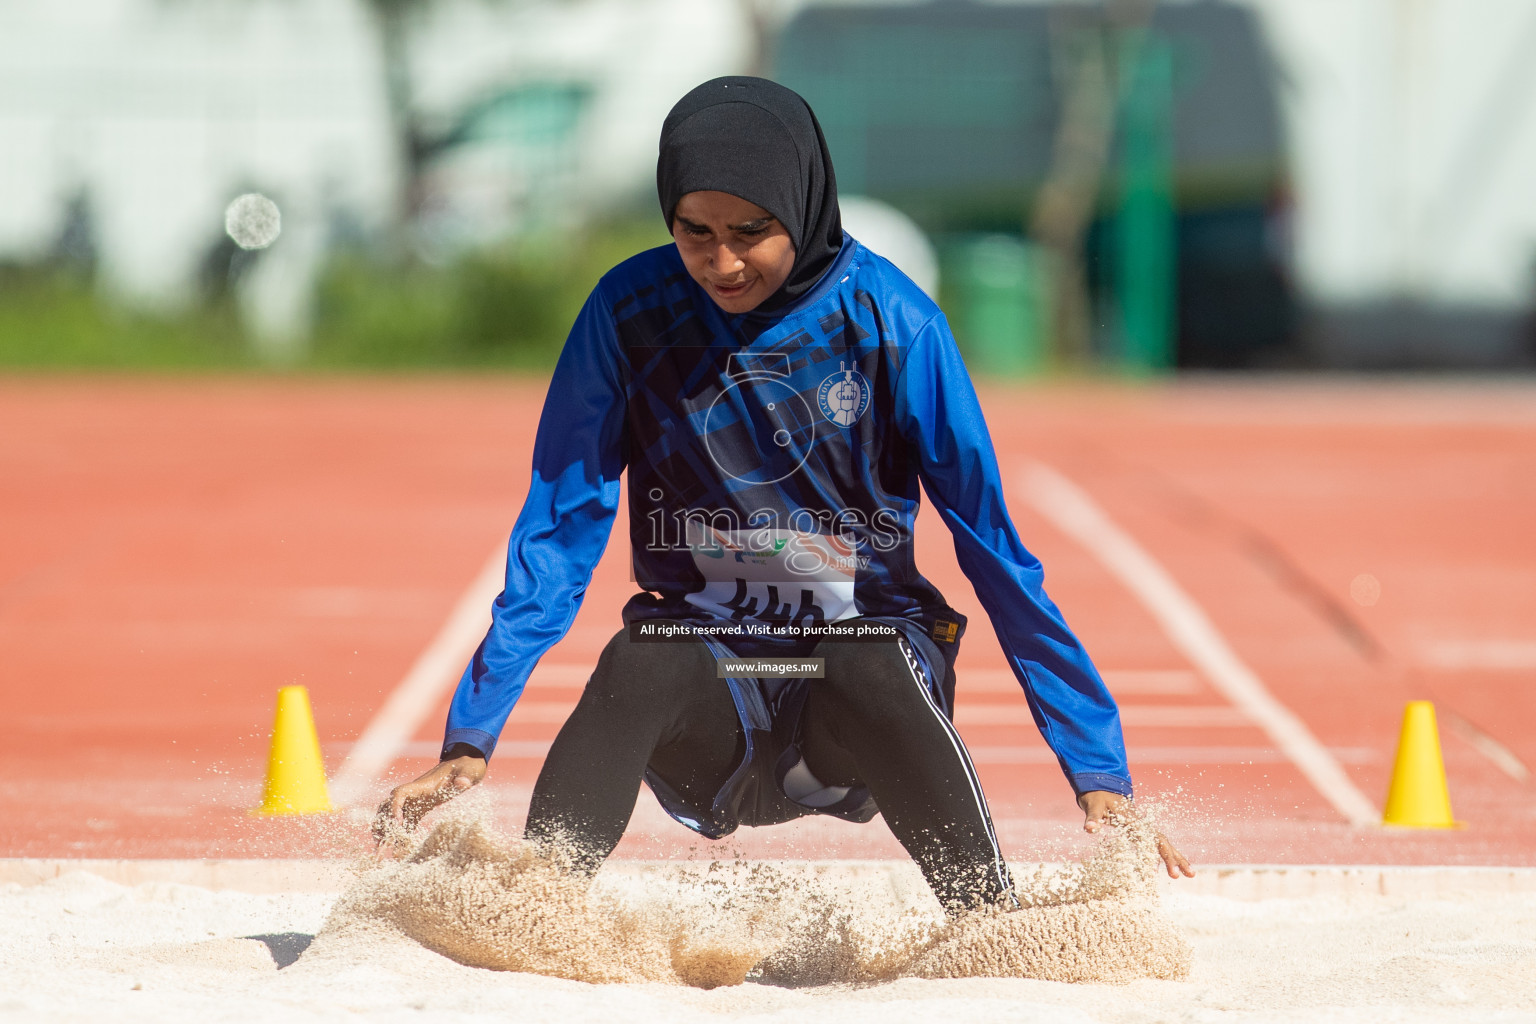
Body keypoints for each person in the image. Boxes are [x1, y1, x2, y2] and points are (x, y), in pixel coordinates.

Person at [376, 76, 1193, 913]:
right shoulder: (630, 313)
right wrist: (471, 737)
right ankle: (531, 916)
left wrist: (1098, 769)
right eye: (694, 232)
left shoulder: (892, 322)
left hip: (856, 698)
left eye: (750, 233)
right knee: (639, 653)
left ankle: (990, 919)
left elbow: (994, 549)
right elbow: (560, 524)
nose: (721, 263)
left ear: (801, 205)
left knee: (864, 653)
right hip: (712, 697)